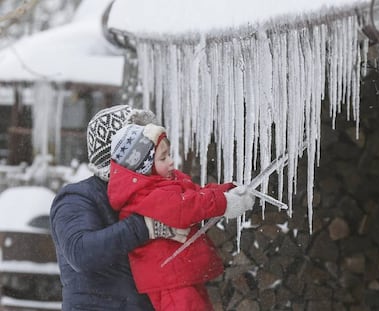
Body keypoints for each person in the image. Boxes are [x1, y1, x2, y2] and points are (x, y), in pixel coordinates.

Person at [49, 105, 191, 311]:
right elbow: (81, 252)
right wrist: (145, 227)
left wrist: (223, 200)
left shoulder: (148, 196)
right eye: (143, 145)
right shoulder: (77, 197)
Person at [107, 123, 255, 311]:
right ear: (144, 167)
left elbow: (197, 194)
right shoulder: (146, 195)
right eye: (163, 158)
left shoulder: (165, 182)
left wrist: (226, 191)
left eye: (169, 154)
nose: (171, 161)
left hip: (181, 276)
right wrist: (224, 203)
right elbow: (185, 208)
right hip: (169, 282)